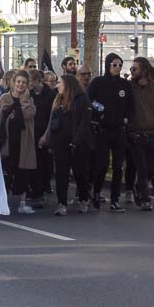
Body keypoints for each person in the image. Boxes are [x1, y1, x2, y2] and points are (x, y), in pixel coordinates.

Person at [87, 53, 134, 212]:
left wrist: (126, 118)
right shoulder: (98, 82)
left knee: (118, 166)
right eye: (114, 65)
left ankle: (115, 200)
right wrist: (100, 110)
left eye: (120, 65)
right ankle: (96, 192)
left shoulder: (124, 85)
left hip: (119, 131)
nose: (117, 68)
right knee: (102, 165)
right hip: (103, 130)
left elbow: (130, 104)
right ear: (108, 65)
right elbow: (90, 100)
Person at [44, 74, 93, 215]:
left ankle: (84, 199)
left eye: (59, 83)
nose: (57, 85)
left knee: (80, 173)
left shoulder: (82, 100)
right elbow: (53, 122)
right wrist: (51, 142)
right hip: (61, 143)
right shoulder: (58, 99)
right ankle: (61, 203)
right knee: (61, 174)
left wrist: (75, 142)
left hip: (78, 144)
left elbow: (85, 123)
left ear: (68, 85)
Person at [0, 70, 36, 214]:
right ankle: (2, 202)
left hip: (23, 141)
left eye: (24, 82)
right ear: (13, 82)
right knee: (6, 173)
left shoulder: (29, 99)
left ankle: (22, 203)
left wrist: (24, 100)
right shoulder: (4, 98)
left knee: (23, 172)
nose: (21, 85)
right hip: (8, 141)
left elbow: (29, 114)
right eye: (18, 82)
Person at [128, 57, 154, 211]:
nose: (132, 71)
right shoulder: (129, 88)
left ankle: (139, 186)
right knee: (142, 168)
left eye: (135, 69)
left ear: (144, 70)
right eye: (131, 69)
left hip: (153, 133)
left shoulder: (153, 88)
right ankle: (144, 198)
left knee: (152, 167)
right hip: (136, 134)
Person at [27, 69, 55, 208]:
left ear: (38, 81)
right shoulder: (29, 93)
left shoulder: (49, 94)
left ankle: (42, 190)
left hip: (45, 132)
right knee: (34, 164)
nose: (29, 84)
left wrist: (46, 134)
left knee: (45, 164)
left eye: (31, 81)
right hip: (32, 133)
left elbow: (52, 115)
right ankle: (36, 192)